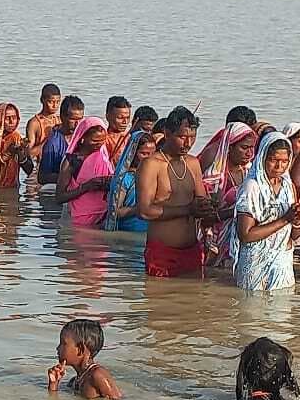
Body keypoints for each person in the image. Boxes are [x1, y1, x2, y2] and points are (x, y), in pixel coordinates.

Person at [136, 107, 217, 277]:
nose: (188, 144)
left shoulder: (193, 163)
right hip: (162, 254)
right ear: (167, 133)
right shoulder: (151, 164)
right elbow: (144, 211)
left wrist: (211, 207)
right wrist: (188, 210)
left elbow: (202, 203)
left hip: (193, 250)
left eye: (192, 138)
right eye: (182, 137)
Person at [232, 133, 300, 291]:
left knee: (281, 312)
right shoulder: (251, 187)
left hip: (282, 263)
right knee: (253, 311)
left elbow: (295, 235)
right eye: (274, 160)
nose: (279, 167)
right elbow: (246, 235)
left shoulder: (288, 188)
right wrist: (285, 219)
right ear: (263, 158)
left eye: (284, 162)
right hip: (255, 265)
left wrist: (298, 218)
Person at [198, 121, 256, 266]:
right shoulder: (214, 178)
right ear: (230, 147)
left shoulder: (250, 172)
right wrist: (238, 211)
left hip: (238, 243)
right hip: (213, 244)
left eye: (251, 147)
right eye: (244, 148)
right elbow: (206, 218)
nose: (249, 153)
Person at [56, 116, 114, 227]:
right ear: (82, 138)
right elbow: (59, 197)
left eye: (102, 140)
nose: (99, 144)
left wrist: (107, 183)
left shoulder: (104, 156)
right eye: (94, 141)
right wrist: (86, 186)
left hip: (104, 215)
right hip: (80, 219)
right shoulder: (71, 161)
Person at [46, 319, 122, 400]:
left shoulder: (97, 375)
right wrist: (53, 384)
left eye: (63, 343)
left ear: (80, 349)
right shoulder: (74, 382)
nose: (57, 348)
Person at [103, 131, 155, 232]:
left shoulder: (156, 175)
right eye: (144, 153)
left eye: (152, 154)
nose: (149, 158)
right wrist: (140, 208)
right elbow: (114, 212)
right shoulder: (125, 179)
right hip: (127, 235)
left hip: (149, 234)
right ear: (133, 153)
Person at [37, 95, 85, 185]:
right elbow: (42, 178)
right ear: (62, 117)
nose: (77, 124)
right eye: (73, 119)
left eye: (80, 119)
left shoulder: (85, 137)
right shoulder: (53, 144)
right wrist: (69, 175)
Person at [25, 83, 62, 160]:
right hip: (40, 166)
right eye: (51, 102)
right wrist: (49, 139)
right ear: (42, 100)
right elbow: (29, 154)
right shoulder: (34, 123)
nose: (55, 106)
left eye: (58, 102)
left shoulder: (60, 120)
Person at [103, 95, 132, 163]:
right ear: (108, 116)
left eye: (127, 118)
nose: (125, 122)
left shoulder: (131, 138)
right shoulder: (103, 140)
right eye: (120, 118)